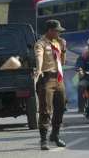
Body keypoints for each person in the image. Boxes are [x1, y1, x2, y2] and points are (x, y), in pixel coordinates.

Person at [34, 20, 67, 150]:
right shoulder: (40, 44)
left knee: (61, 106)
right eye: (57, 31)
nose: (59, 33)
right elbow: (39, 57)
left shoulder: (57, 43)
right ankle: (43, 139)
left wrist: (63, 49)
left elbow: (62, 63)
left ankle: (55, 134)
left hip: (58, 79)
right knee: (45, 109)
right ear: (50, 30)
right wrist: (38, 69)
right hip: (46, 79)